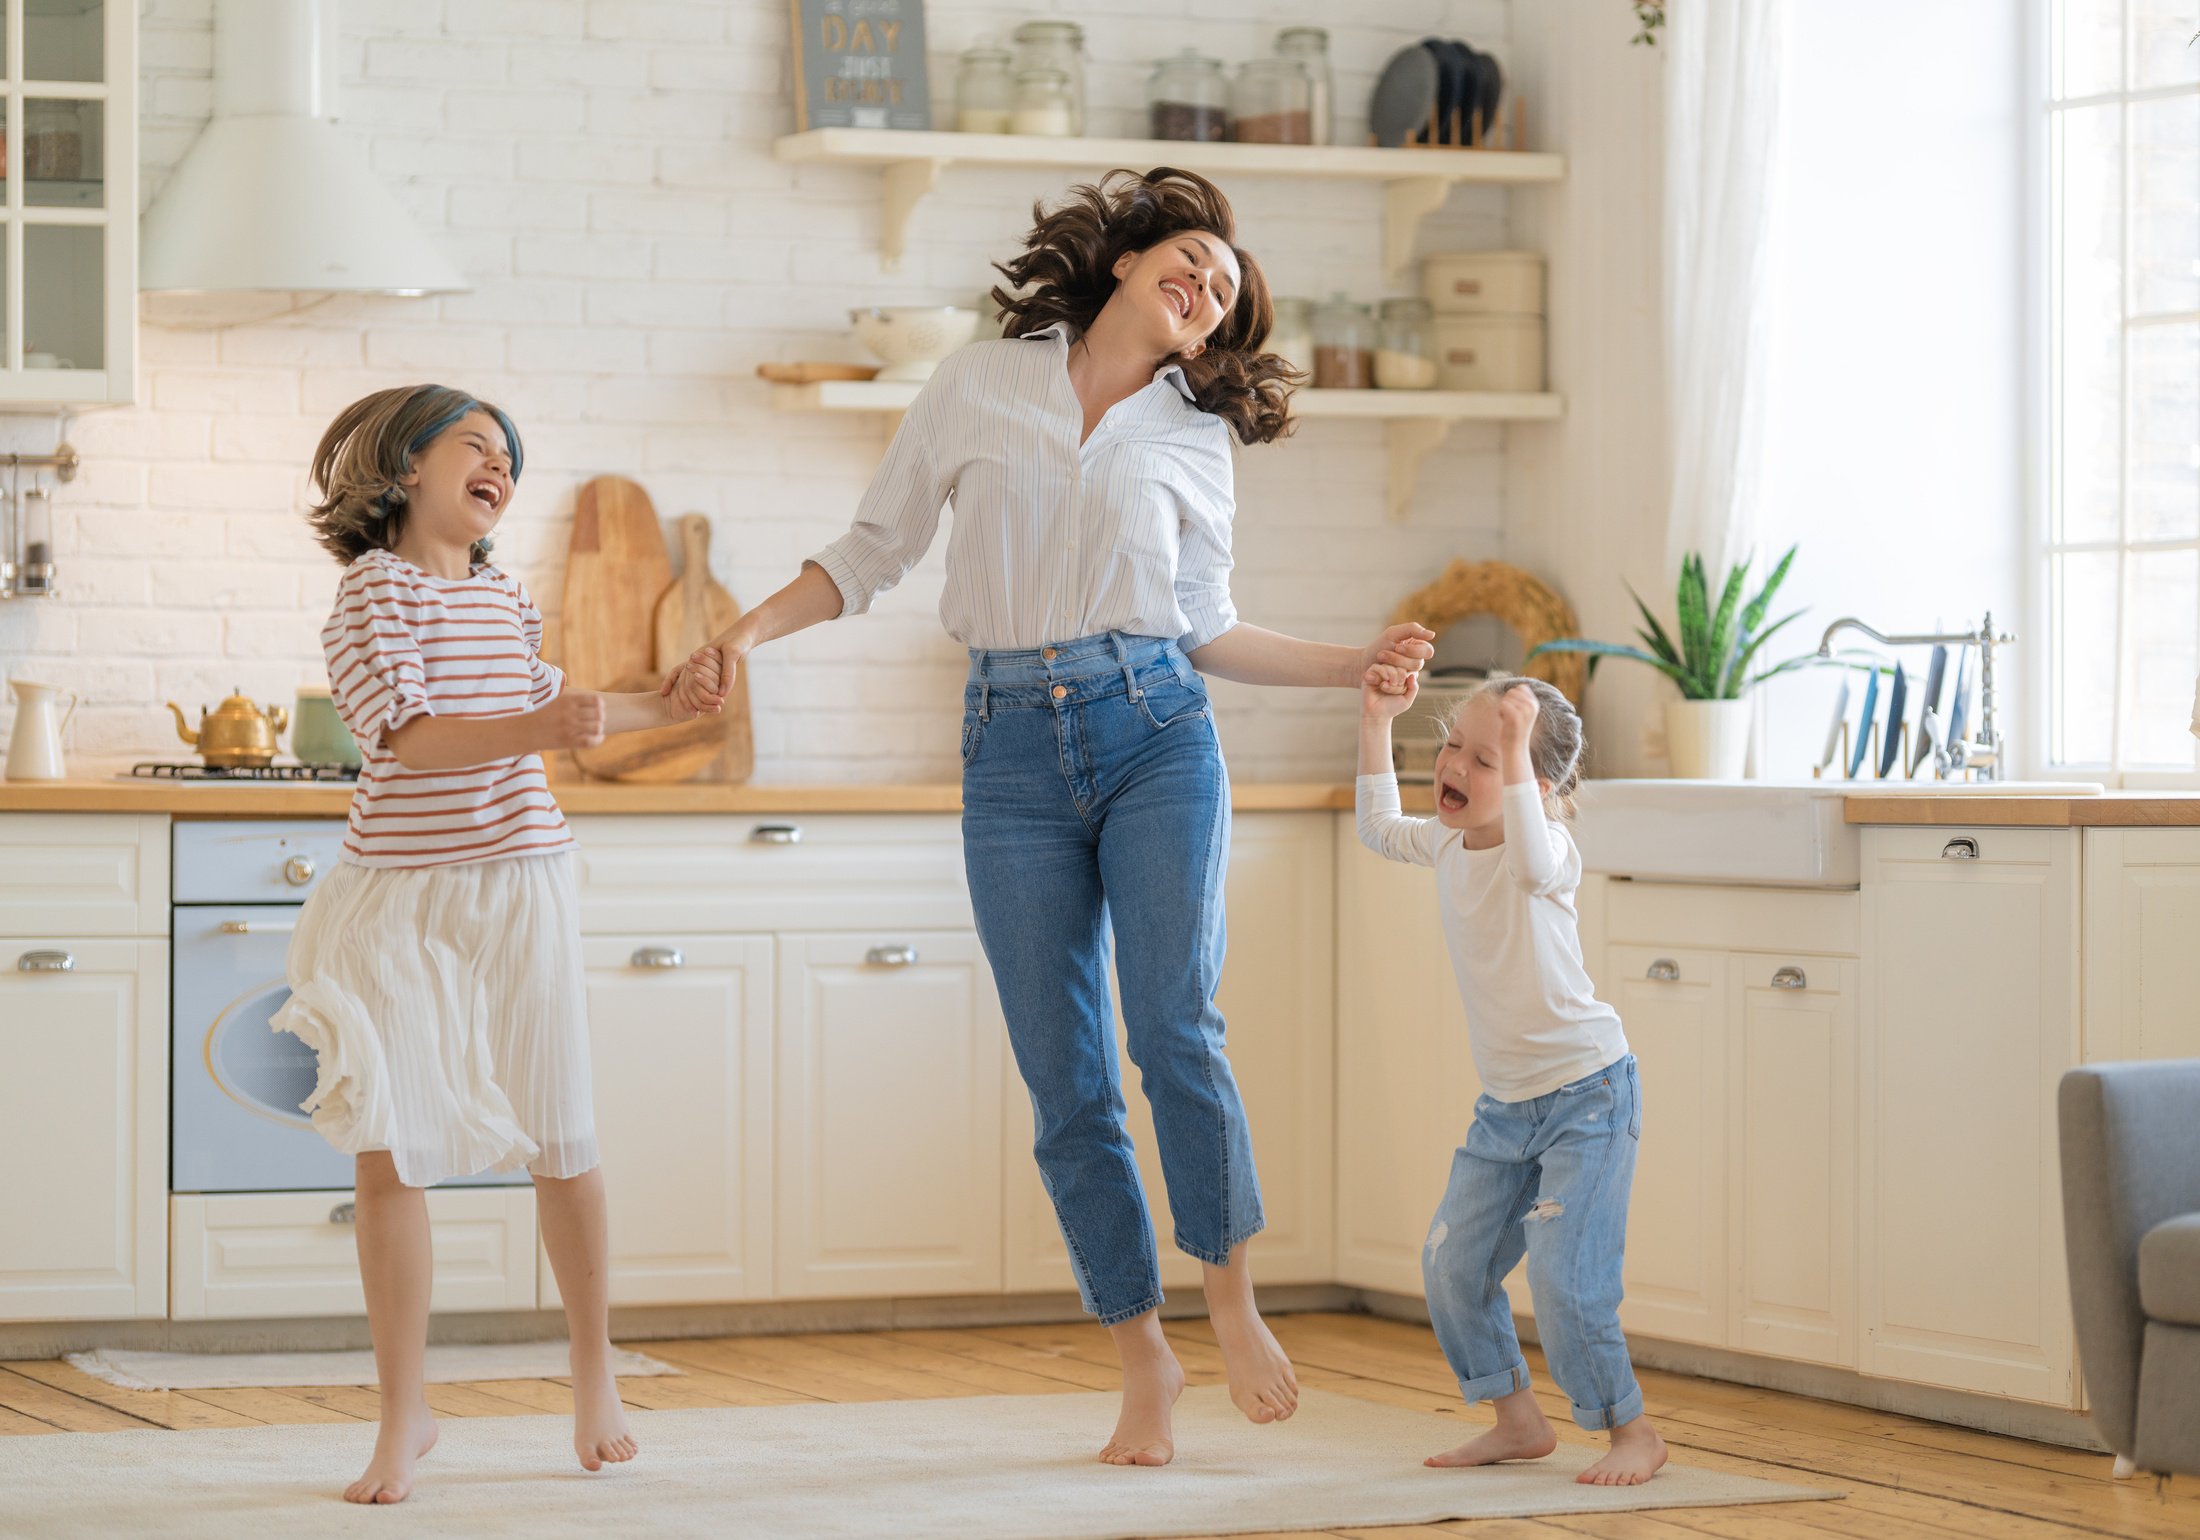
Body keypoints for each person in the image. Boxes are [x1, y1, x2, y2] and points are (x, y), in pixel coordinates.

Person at [671, 168, 1432, 1466]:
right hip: (1008, 748)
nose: (1209, 284)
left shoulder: (1194, 435)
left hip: (1158, 731)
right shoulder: (978, 381)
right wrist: (737, 636)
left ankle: (1231, 1300)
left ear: (1211, 332)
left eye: (1228, 290)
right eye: (1193, 257)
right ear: (1135, 260)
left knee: (1176, 1026)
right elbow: (871, 551)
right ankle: (1143, 1359)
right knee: (1066, 1079)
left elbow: (1206, 625)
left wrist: (1351, 658)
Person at [276, 384, 717, 1503]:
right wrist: (544, 725)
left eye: (509, 458)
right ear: (402, 467)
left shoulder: (503, 597)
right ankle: (403, 1413)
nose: (499, 467)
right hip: (401, 897)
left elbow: (557, 704)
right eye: (475, 447)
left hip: (523, 881)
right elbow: (413, 738)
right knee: (391, 1146)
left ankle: (592, 1374)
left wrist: (671, 703)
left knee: (562, 1133)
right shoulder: (372, 594)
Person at [1355, 667, 1668, 1485]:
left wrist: (1523, 746)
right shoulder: (1449, 841)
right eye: (1452, 744)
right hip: (1506, 1110)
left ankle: (1631, 1431)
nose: (1454, 765)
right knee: (1451, 1265)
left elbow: (1531, 866)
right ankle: (1517, 1420)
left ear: (1538, 781)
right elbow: (1380, 827)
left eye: (1486, 760)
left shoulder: (1551, 850)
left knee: (1566, 1280)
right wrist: (1376, 721)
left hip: (1588, 1098)